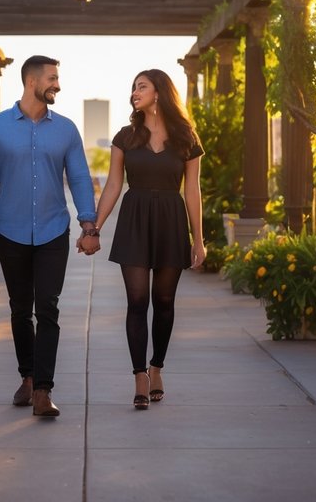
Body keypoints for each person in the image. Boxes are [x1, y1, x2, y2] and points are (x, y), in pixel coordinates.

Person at [0, 55, 97, 418]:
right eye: (53, 78)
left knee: (48, 307)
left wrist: (88, 225)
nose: (57, 85)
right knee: (19, 309)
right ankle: (27, 377)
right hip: (9, 232)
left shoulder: (67, 130)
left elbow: (79, 178)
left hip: (53, 231)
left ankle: (43, 390)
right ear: (31, 82)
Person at [80, 68, 204, 410]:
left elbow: (192, 190)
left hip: (171, 221)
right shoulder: (125, 137)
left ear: (159, 93)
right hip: (135, 221)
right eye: (134, 87)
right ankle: (138, 375)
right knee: (137, 302)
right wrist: (94, 228)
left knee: (164, 302)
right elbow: (114, 186)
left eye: (142, 86)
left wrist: (199, 239)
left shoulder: (186, 138)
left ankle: (156, 367)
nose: (135, 92)